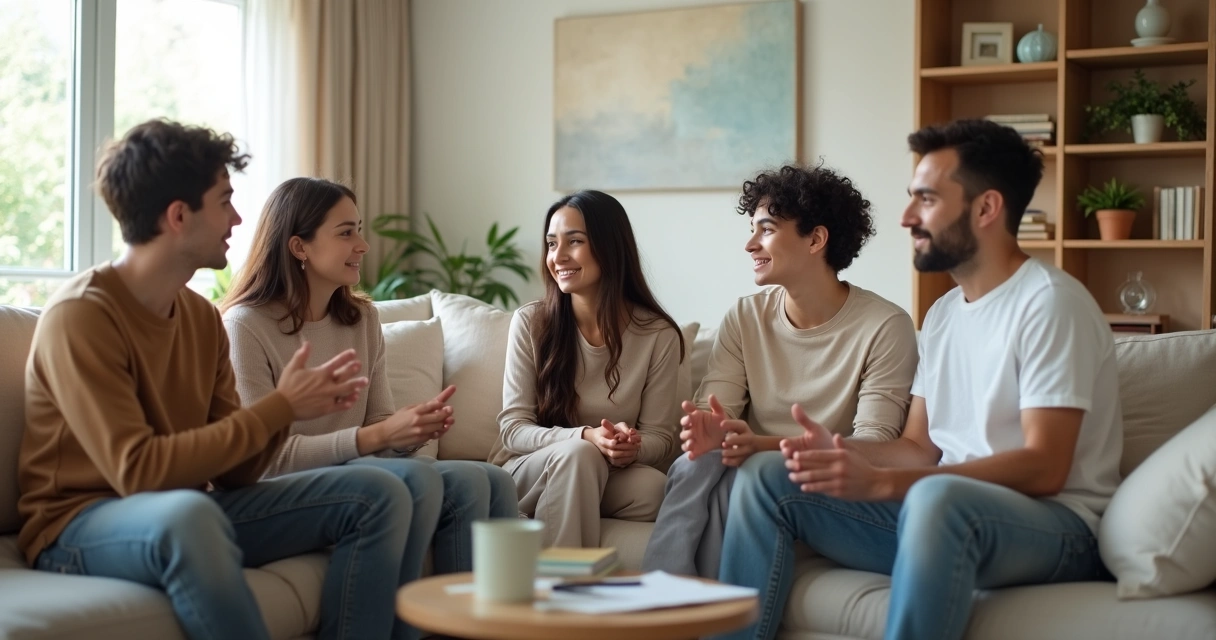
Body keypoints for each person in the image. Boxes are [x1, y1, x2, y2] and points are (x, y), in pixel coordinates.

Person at [715, 119, 1122, 640]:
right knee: (765, 476)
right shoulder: (945, 314)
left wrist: (887, 484)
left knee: (935, 499)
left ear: (985, 208)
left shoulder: (1049, 304)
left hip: (1055, 529)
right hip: (946, 517)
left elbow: (1046, 468)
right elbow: (917, 448)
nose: (907, 217)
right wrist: (837, 454)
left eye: (926, 200)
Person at [17, 119, 417, 640]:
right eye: (224, 200)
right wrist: (278, 409)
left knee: (378, 491)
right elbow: (137, 472)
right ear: (179, 216)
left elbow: (237, 475)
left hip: (189, 509)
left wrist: (290, 411)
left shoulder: (201, 319)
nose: (238, 218)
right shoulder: (82, 316)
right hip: (76, 525)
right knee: (188, 517)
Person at [221, 177, 519, 580]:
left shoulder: (362, 319)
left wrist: (406, 432)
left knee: (490, 480)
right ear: (299, 247)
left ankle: (477, 625)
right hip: (280, 488)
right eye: (346, 233)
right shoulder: (245, 327)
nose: (362, 245)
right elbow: (266, 459)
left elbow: (378, 423)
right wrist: (378, 437)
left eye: (358, 230)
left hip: (350, 472)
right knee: (418, 480)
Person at [642, 163, 917, 578]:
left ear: (816, 239)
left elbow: (874, 444)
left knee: (743, 475)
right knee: (699, 463)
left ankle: (678, 610)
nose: (750, 244)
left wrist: (758, 446)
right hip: (746, 472)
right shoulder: (744, 317)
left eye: (766, 229)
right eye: (751, 229)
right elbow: (718, 416)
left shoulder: (885, 326)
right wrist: (709, 429)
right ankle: (666, 599)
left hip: (826, 488)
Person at [490, 190, 684, 548]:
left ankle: (562, 506)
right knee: (579, 455)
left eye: (574, 241)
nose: (557, 256)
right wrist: (585, 437)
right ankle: (562, 585)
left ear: (610, 248)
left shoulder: (658, 334)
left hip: (604, 471)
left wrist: (630, 447)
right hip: (529, 467)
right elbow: (513, 431)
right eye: (551, 244)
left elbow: (662, 437)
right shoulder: (531, 322)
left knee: (656, 489)